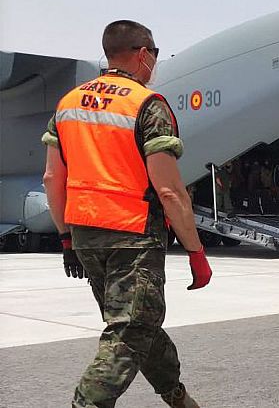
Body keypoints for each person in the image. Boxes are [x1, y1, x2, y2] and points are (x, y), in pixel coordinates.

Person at [41, 20, 209, 407]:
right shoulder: (146, 104)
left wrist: (66, 237)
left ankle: (177, 396)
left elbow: (53, 177)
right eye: (156, 54)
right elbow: (168, 189)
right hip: (132, 235)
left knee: (136, 324)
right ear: (143, 53)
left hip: (85, 235)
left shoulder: (68, 104)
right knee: (130, 331)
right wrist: (196, 252)